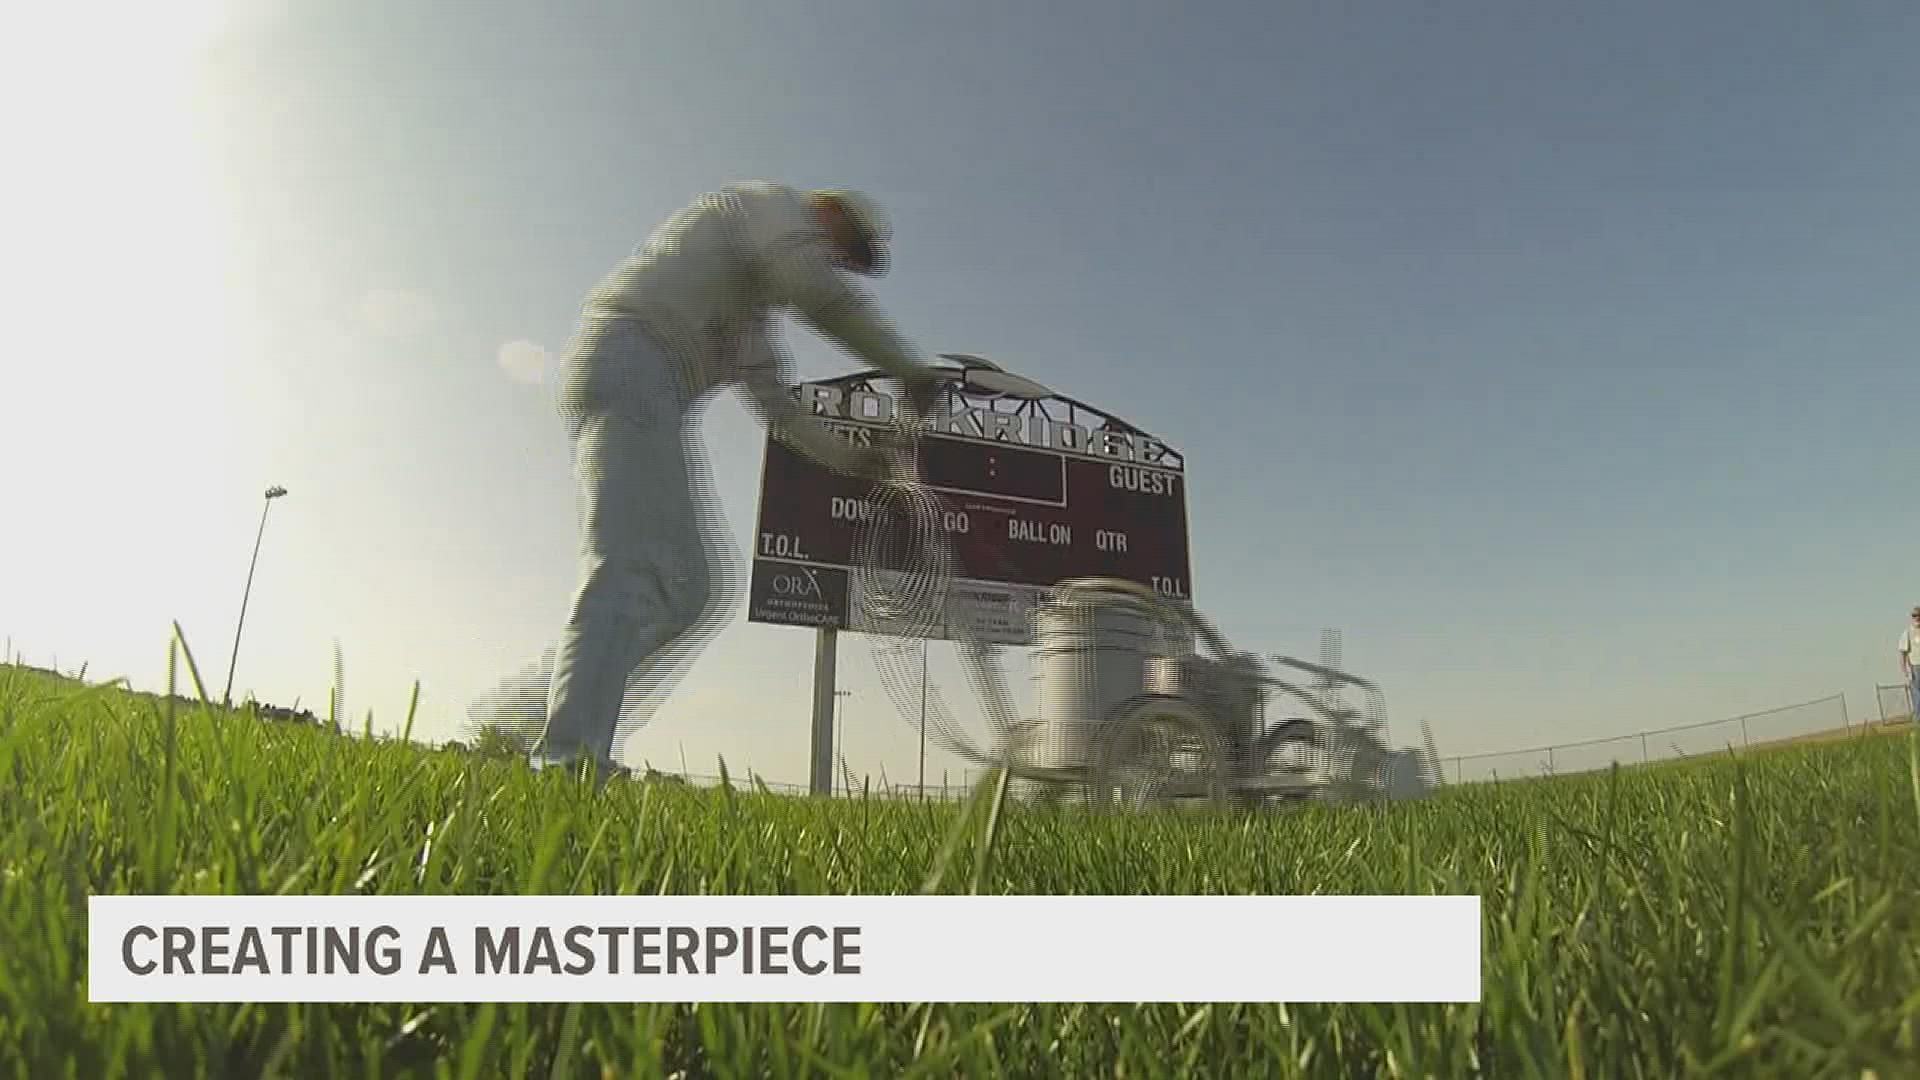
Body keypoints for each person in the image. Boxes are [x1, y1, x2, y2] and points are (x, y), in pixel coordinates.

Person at [516, 182, 945, 782]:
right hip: (630, 359)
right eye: (847, 251)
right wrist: (909, 370)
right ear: (826, 212)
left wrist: (860, 461)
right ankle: (566, 758)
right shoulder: (766, 208)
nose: (844, 266)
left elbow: (782, 411)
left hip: (654, 392)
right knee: (629, 569)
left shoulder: (751, 321)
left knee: (695, 590)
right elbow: (823, 299)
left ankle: (555, 713)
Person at [1898, 606, 1920, 720]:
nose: (1917, 618)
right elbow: (1902, 654)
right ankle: (1918, 718)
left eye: (1918, 615)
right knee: (1917, 695)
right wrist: (1906, 671)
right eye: (1914, 615)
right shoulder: (1907, 633)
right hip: (1915, 667)